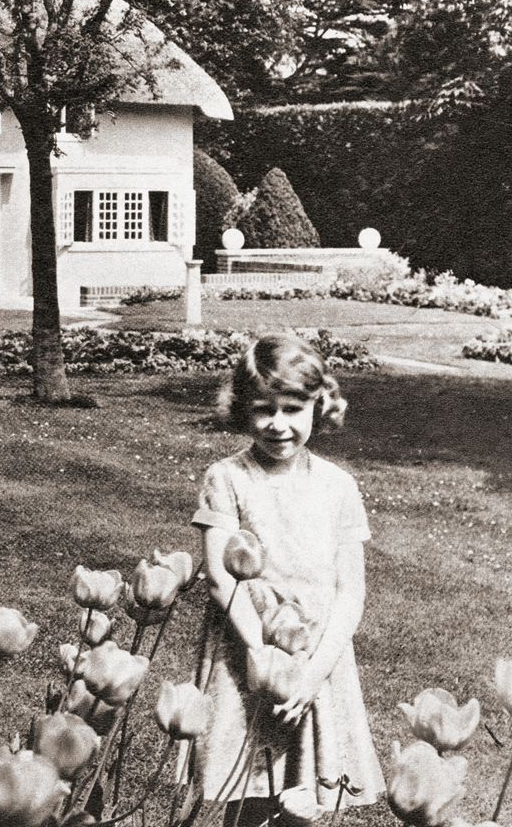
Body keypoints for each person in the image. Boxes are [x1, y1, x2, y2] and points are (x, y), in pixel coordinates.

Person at [190, 334, 384, 826]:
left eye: (293, 409)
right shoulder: (227, 477)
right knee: (247, 785)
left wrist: (316, 670)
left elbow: (350, 591)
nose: (279, 424)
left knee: (306, 793)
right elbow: (220, 577)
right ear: (242, 410)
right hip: (246, 646)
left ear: (318, 407)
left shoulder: (339, 486)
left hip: (317, 654)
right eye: (263, 410)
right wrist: (260, 652)